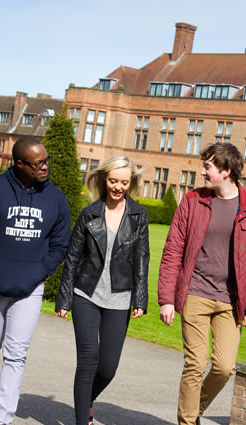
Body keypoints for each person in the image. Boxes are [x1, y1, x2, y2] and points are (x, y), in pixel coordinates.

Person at [157, 143, 246, 425]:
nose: (202, 171)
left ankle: (194, 410)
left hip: (231, 301)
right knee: (195, 363)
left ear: (226, 170)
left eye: (207, 166)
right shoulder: (192, 201)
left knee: (223, 367)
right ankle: (187, 422)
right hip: (195, 293)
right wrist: (167, 299)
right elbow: (173, 249)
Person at [0, 136, 71, 425]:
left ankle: (3, 417)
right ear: (20, 164)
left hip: (30, 290)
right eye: (38, 163)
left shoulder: (56, 199)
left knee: (16, 355)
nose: (45, 167)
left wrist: (38, 273)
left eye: (46, 160)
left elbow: (60, 245)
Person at [55, 154, 150, 425]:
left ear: (130, 183)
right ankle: (81, 420)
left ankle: (87, 399)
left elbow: (142, 257)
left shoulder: (138, 215)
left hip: (120, 298)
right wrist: (64, 298)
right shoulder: (90, 213)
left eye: (124, 182)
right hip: (86, 294)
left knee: (107, 368)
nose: (118, 187)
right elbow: (73, 257)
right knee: (87, 360)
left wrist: (140, 298)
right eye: (113, 181)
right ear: (104, 179)